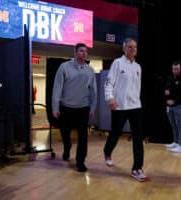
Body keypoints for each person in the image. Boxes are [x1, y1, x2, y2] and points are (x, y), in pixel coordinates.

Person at [104, 38, 147, 181]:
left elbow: (136, 88)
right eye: (130, 47)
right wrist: (110, 98)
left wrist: (138, 102)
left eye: (135, 47)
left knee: (138, 138)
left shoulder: (138, 67)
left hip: (135, 107)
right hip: (119, 106)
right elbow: (109, 82)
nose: (133, 49)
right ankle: (107, 152)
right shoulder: (117, 63)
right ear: (124, 49)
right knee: (115, 134)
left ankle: (137, 168)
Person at [52, 43, 97, 172]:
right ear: (75, 52)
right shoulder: (64, 67)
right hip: (66, 107)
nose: (84, 53)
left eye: (86, 51)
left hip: (83, 108)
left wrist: (93, 108)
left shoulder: (90, 70)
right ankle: (67, 147)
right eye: (81, 51)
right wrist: (55, 107)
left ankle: (80, 161)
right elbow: (57, 88)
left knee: (83, 136)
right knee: (65, 133)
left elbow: (94, 91)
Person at [164, 61, 181, 153]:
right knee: (173, 125)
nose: (175, 71)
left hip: (180, 105)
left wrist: (174, 99)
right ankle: (176, 142)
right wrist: (167, 97)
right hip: (170, 106)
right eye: (173, 69)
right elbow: (167, 90)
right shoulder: (170, 78)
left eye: (177, 69)